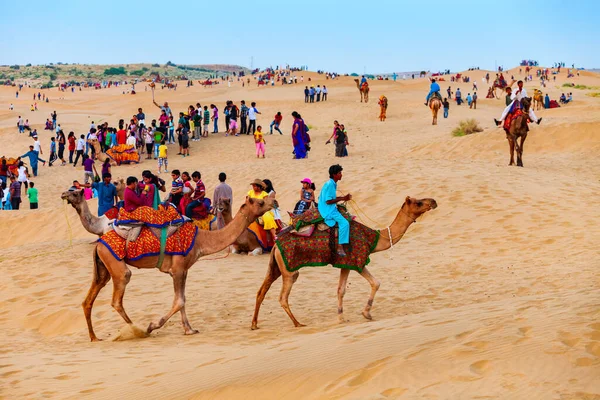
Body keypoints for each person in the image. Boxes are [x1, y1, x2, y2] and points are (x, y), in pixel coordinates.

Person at [318, 164, 352, 256]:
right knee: (345, 223)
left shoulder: (332, 183)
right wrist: (343, 198)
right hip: (328, 210)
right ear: (334, 174)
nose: (341, 175)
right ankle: (340, 247)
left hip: (327, 207)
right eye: (339, 173)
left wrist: (343, 198)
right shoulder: (330, 185)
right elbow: (328, 201)